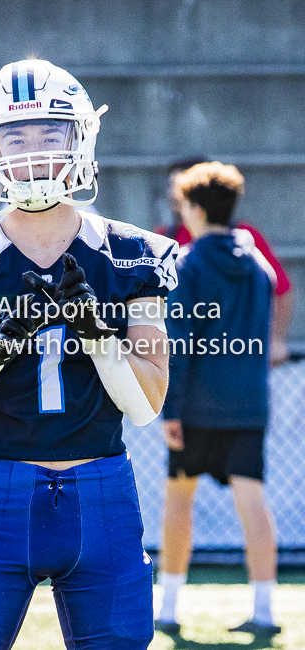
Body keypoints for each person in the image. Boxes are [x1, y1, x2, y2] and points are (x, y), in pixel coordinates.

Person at [0, 59, 179, 649]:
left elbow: (146, 406)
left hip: (102, 488)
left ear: (80, 140)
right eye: (15, 138)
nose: (32, 154)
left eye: (50, 136)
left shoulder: (136, 253)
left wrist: (100, 339)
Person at [156, 162, 281, 636]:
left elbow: (179, 342)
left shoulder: (187, 265)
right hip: (249, 403)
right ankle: (265, 610)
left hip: (197, 407)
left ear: (196, 207)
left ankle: (167, 607)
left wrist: (171, 408)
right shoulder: (259, 267)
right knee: (253, 500)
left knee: (178, 501)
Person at [156, 158, 294, 367]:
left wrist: (275, 340)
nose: (172, 195)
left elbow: (281, 290)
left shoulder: (249, 242)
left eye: (178, 187)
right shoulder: (162, 239)